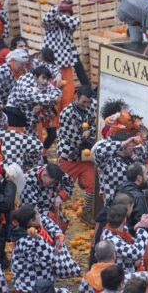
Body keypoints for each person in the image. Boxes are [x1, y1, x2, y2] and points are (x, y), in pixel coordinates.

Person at [10, 205, 81, 292]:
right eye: (37, 215)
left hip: (35, 284)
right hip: (31, 287)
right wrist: (39, 239)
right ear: (31, 221)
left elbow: (45, 220)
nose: (39, 216)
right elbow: (50, 258)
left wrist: (56, 233)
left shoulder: (26, 228)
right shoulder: (28, 242)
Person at [57, 86, 97, 223]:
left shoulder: (90, 107)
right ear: (76, 97)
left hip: (85, 157)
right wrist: (89, 135)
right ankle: (55, 212)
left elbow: (94, 125)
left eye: (88, 102)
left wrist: (90, 130)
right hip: (69, 156)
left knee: (93, 184)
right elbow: (76, 139)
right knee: (62, 187)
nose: (86, 105)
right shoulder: (66, 114)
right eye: (83, 102)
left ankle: (87, 212)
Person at [41, 0, 90, 102]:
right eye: (63, 12)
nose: (66, 16)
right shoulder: (51, 26)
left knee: (68, 94)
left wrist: (58, 16)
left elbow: (76, 22)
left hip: (66, 65)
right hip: (51, 64)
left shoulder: (69, 26)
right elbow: (46, 20)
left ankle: (65, 116)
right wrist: (57, 7)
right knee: (53, 95)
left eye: (68, 14)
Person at [5, 66, 61, 137]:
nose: (45, 81)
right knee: (19, 138)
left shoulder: (44, 83)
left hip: (29, 116)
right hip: (15, 112)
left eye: (47, 79)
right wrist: (51, 100)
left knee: (33, 140)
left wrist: (51, 99)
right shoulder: (25, 80)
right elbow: (30, 96)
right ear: (35, 76)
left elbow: (56, 92)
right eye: (43, 78)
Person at [20, 163, 74, 231]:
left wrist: (61, 196)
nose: (53, 185)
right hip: (37, 211)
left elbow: (70, 183)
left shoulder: (56, 172)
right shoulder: (28, 182)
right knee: (52, 226)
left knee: (63, 223)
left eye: (56, 183)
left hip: (51, 204)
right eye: (51, 183)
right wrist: (50, 217)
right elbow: (31, 210)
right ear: (44, 175)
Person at [100, 204, 148, 274]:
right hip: (119, 278)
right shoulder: (112, 240)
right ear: (124, 220)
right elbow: (136, 253)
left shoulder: (116, 230)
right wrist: (142, 229)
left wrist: (135, 229)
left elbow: (127, 248)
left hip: (125, 270)